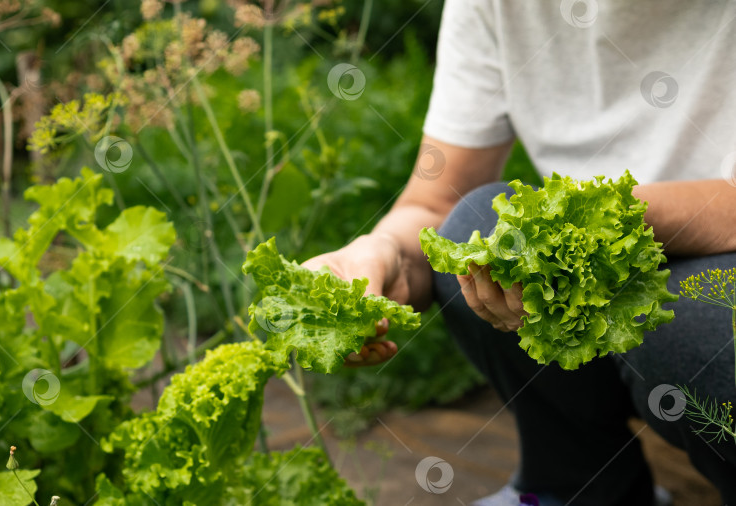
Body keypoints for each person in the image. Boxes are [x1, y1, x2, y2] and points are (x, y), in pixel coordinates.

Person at [304, 1, 736, 504]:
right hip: (605, 264)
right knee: (474, 227)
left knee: (686, 327)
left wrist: (591, 217)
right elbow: (434, 201)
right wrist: (382, 258)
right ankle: (578, 486)